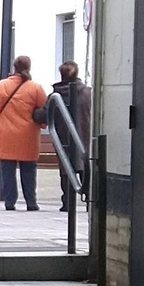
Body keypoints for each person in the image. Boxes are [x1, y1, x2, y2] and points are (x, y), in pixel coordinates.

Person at [0, 55, 49, 212]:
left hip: (5, 134)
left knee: (7, 169)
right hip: (28, 135)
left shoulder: (0, 86)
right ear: (29, 67)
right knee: (29, 169)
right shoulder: (35, 88)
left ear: (14, 67)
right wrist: (41, 124)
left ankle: (9, 202)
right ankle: (31, 202)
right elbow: (44, 110)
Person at [51, 60, 93, 214]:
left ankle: (67, 202)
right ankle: (89, 199)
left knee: (66, 169)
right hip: (84, 136)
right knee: (84, 167)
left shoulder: (55, 96)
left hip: (63, 137)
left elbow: (44, 115)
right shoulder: (88, 92)